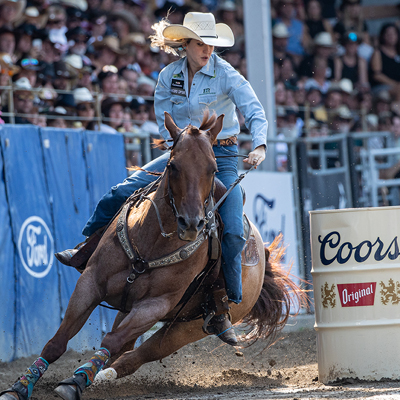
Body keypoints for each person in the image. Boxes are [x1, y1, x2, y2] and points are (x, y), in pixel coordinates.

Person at [55, 12, 267, 346]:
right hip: (180, 153)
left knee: (233, 226)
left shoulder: (227, 74)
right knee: (118, 194)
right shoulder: (169, 76)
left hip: (220, 154)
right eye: (200, 43)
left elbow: (254, 111)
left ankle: (222, 304)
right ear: (186, 44)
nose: (207, 50)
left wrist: (260, 145)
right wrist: (178, 147)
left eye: (210, 44)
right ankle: (87, 249)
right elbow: (160, 113)